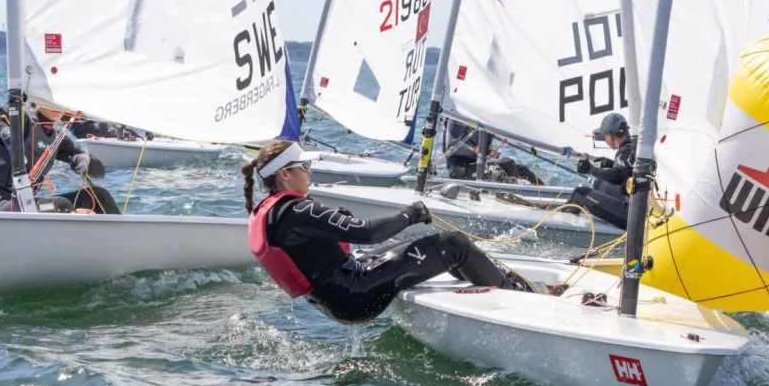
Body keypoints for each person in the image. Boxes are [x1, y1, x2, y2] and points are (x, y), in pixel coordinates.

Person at [243, 140, 531, 323]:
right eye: (305, 166)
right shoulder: (297, 210)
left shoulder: (270, 210)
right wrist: (411, 214)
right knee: (452, 243)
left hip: (336, 299)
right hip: (355, 295)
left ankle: (477, 279)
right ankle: (519, 296)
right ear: (285, 174)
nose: (310, 171)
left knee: (420, 246)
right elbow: (367, 232)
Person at [0, 101, 120, 214]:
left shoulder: (56, 139)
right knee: (60, 205)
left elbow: (98, 171)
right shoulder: (21, 120)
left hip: (28, 204)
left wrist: (83, 159)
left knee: (100, 196)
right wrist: (2, 129)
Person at [565, 112, 636, 229]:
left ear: (611, 136)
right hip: (633, 204)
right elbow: (628, 171)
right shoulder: (632, 146)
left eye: (605, 136)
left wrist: (591, 169)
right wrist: (610, 163)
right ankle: (597, 205)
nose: (605, 140)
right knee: (599, 183)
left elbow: (617, 177)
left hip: (630, 215)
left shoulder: (625, 150)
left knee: (580, 193)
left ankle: (564, 222)